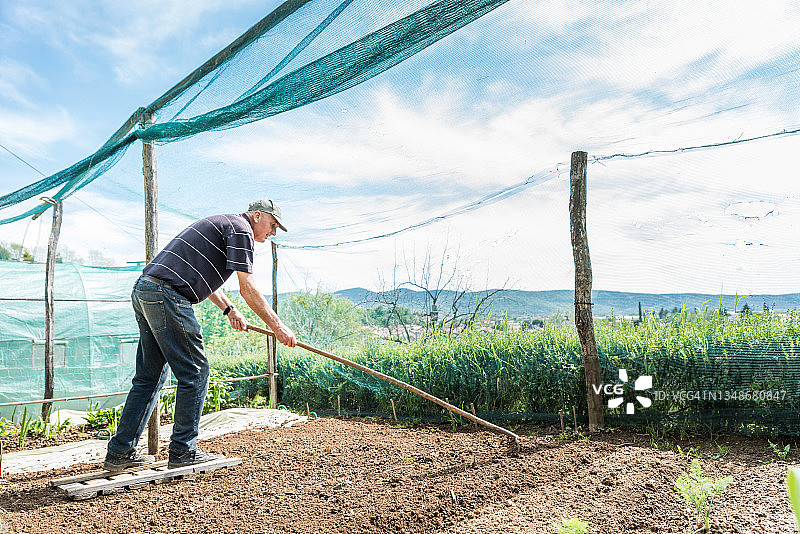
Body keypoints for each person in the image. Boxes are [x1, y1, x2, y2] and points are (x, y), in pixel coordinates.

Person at [104, 199, 297, 470]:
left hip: (147, 290)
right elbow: (248, 287)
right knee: (194, 372)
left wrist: (229, 309)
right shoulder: (241, 230)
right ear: (256, 215)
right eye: (273, 224)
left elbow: (201, 278)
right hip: (166, 295)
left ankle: (120, 453)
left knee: (150, 376)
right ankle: (183, 450)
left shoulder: (225, 224)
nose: (273, 232)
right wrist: (277, 326)